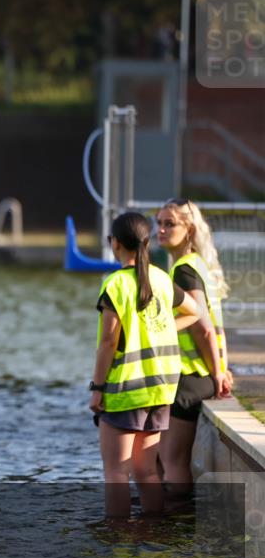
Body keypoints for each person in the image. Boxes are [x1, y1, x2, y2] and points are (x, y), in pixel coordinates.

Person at [89, 212, 214, 519]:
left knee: (116, 472)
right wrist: (165, 329)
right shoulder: (160, 278)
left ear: (115, 243)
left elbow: (108, 342)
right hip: (160, 389)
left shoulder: (115, 284)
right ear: (146, 243)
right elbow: (195, 311)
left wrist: (97, 388)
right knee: (146, 469)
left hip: (125, 389)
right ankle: (155, 529)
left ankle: (117, 535)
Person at [155, 199, 231, 495]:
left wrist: (218, 373)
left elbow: (204, 327)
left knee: (171, 461)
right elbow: (217, 325)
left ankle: (177, 521)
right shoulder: (197, 264)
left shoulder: (184, 271)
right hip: (199, 373)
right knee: (163, 460)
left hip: (190, 377)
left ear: (189, 229)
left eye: (169, 224)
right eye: (159, 223)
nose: (161, 229)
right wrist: (221, 368)